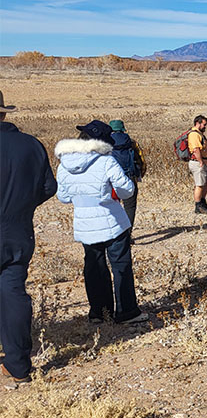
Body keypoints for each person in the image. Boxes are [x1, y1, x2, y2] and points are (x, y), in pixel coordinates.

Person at [55, 120, 146, 326]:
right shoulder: (107, 161)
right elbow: (127, 190)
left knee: (94, 268)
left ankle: (99, 313)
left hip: (85, 225)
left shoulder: (64, 165)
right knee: (120, 266)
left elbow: (63, 197)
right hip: (113, 221)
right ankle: (127, 312)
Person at [0, 91, 57, 383]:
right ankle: (18, 366)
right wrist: (21, 206)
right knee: (12, 294)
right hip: (17, 232)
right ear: (4, 113)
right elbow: (49, 187)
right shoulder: (31, 145)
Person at [107, 119, 146, 231]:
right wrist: (138, 175)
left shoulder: (105, 143)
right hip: (129, 177)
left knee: (112, 206)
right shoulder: (131, 142)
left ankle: (114, 234)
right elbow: (141, 161)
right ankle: (127, 235)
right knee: (130, 206)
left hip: (111, 180)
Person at [187, 115, 207, 213]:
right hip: (197, 163)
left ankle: (202, 202)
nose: (205, 126)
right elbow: (195, 149)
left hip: (203, 162)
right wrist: (201, 161)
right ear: (198, 123)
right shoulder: (194, 134)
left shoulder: (199, 134)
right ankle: (198, 206)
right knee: (200, 184)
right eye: (204, 124)